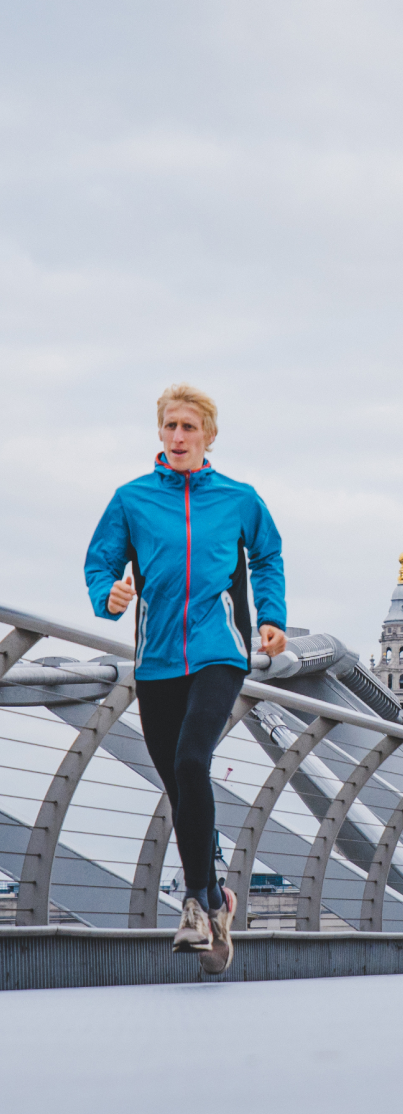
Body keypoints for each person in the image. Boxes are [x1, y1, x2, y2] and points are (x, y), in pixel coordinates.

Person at [84, 386, 287, 974]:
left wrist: (270, 618)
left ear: (209, 437)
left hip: (219, 653)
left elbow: (267, 557)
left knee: (193, 761)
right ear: (160, 433)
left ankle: (195, 904)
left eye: (189, 428)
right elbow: (101, 562)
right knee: (180, 786)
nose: (178, 437)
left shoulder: (239, 499)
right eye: (170, 426)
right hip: (157, 662)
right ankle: (219, 900)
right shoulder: (132, 500)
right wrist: (111, 594)